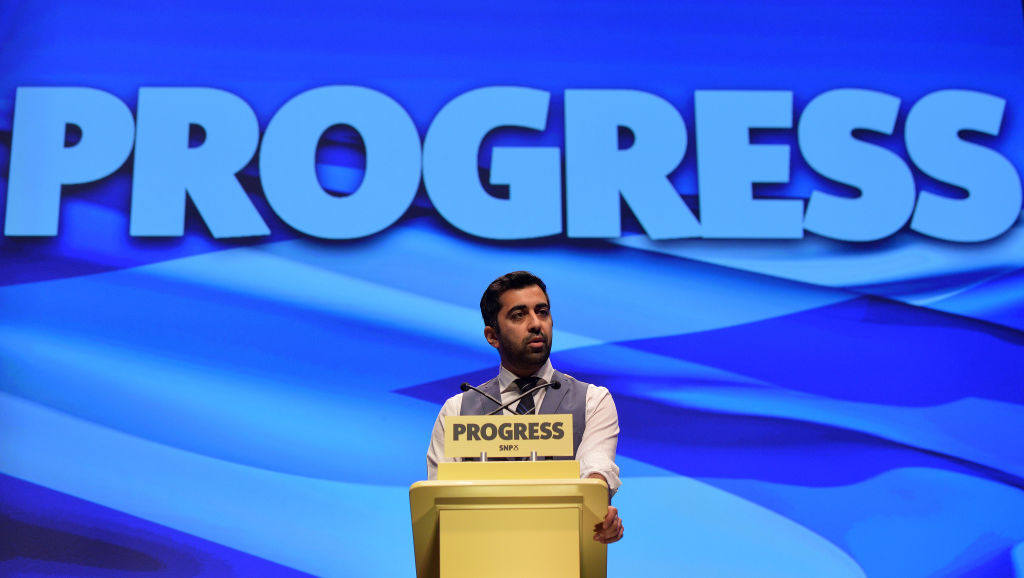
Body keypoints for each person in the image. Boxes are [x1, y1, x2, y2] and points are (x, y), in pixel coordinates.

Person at [426, 271, 624, 544]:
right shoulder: (457, 411)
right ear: (492, 335)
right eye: (519, 315)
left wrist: (597, 505)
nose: (535, 324)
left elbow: (596, 470)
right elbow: (441, 503)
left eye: (542, 312)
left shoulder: (593, 400)